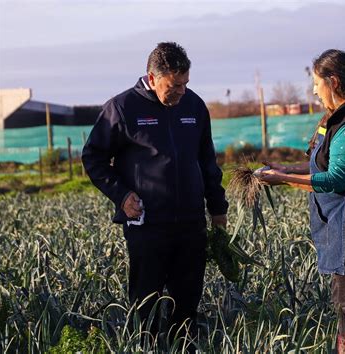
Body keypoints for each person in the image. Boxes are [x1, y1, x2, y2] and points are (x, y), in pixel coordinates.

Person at [82, 42, 228, 346]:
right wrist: (121, 195)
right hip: (147, 226)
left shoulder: (195, 106)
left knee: (186, 304)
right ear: (152, 77)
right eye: (173, 86)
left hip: (191, 224)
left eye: (185, 84)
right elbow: (93, 158)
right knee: (145, 304)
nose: (180, 92)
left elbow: (207, 162)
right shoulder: (122, 108)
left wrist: (218, 210)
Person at [259, 49, 345, 353]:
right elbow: (323, 164)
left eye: (316, 84)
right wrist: (285, 168)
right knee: (343, 297)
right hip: (342, 222)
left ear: (333, 82)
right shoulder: (339, 115)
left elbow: (336, 179)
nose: (314, 91)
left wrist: (282, 180)